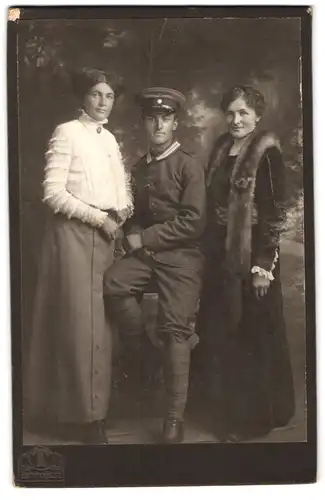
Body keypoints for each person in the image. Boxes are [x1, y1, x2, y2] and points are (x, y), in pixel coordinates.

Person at [24, 67, 133, 444]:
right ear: (82, 98)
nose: (103, 102)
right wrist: (98, 218)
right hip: (72, 236)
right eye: (95, 95)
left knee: (100, 325)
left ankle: (95, 410)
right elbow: (53, 193)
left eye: (109, 96)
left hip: (104, 237)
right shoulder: (67, 132)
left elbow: (120, 191)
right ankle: (81, 418)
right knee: (77, 326)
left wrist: (120, 212)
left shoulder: (110, 139)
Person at [103, 87, 207, 444]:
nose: (158, 124)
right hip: (147, 258)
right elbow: (137, 215)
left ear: (175, 123)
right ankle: (147, 356)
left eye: (165, 118)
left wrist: (144, 239)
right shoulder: (140, 167)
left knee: (175, 329)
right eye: (152, 118)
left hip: (182, 258)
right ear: (145, 123)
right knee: (113, 283)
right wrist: (132, 232)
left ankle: (173, 419)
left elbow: (194, 222)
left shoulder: (189, 165)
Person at [193, 85, 295, 442]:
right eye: (231, 113)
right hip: (221, 252)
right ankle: (223, 411)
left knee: (251, 333)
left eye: (243, 113)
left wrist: (263, 265)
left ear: (257, 115)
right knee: (223, 330)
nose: (236, 120)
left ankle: (254, 419)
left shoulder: (266, 152)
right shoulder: (222, 147)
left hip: (253, 255)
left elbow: (275, 212)